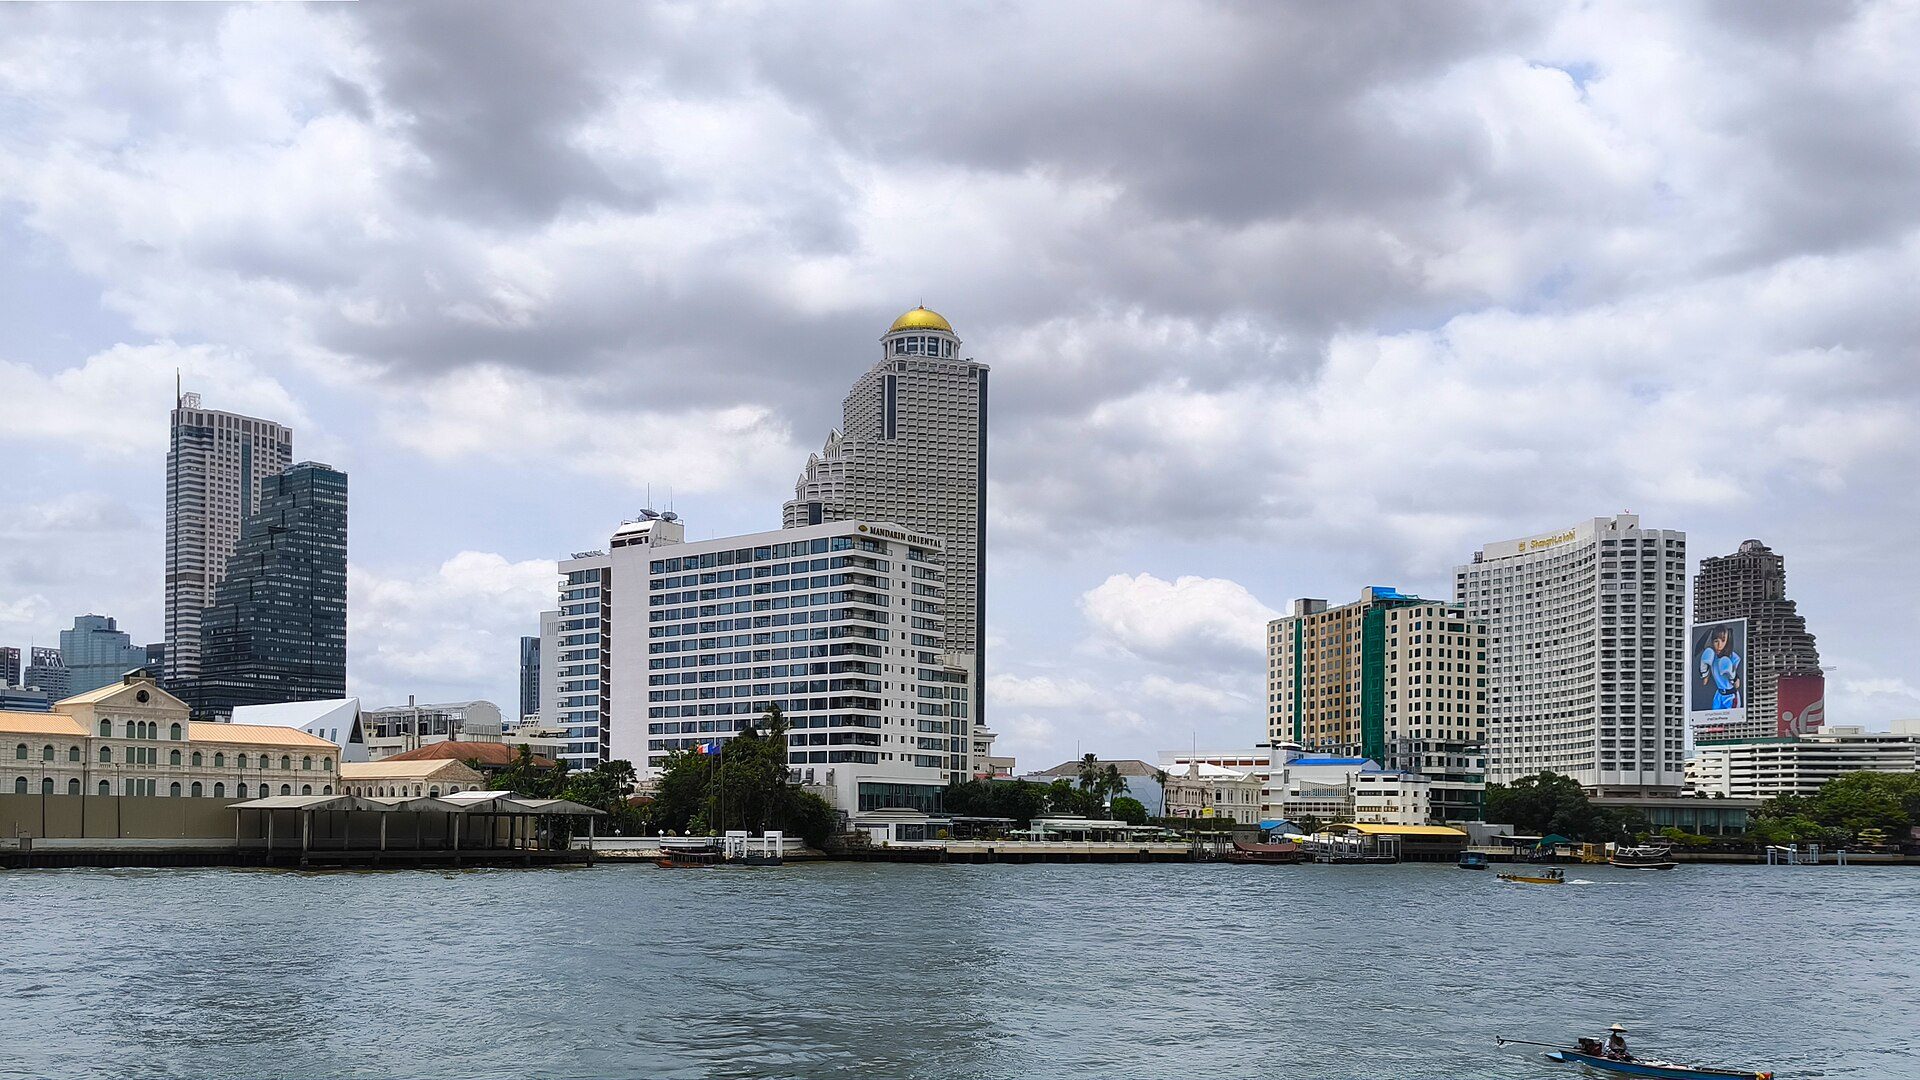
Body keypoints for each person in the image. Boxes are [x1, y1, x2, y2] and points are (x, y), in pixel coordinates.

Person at [1699, 626, 1743, 710]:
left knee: (1732, 722)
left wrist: (1732, 675)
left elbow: (1737, 685)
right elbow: (1705, 682)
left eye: (1723, 641)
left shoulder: (1733, 657)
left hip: (1731, 696)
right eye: (1716, 641)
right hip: (1718, 695)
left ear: (1727, 641)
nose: (1719, 645)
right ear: (1712, 641)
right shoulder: (1711, 657)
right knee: (1713, 721)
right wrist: (1703, 668)